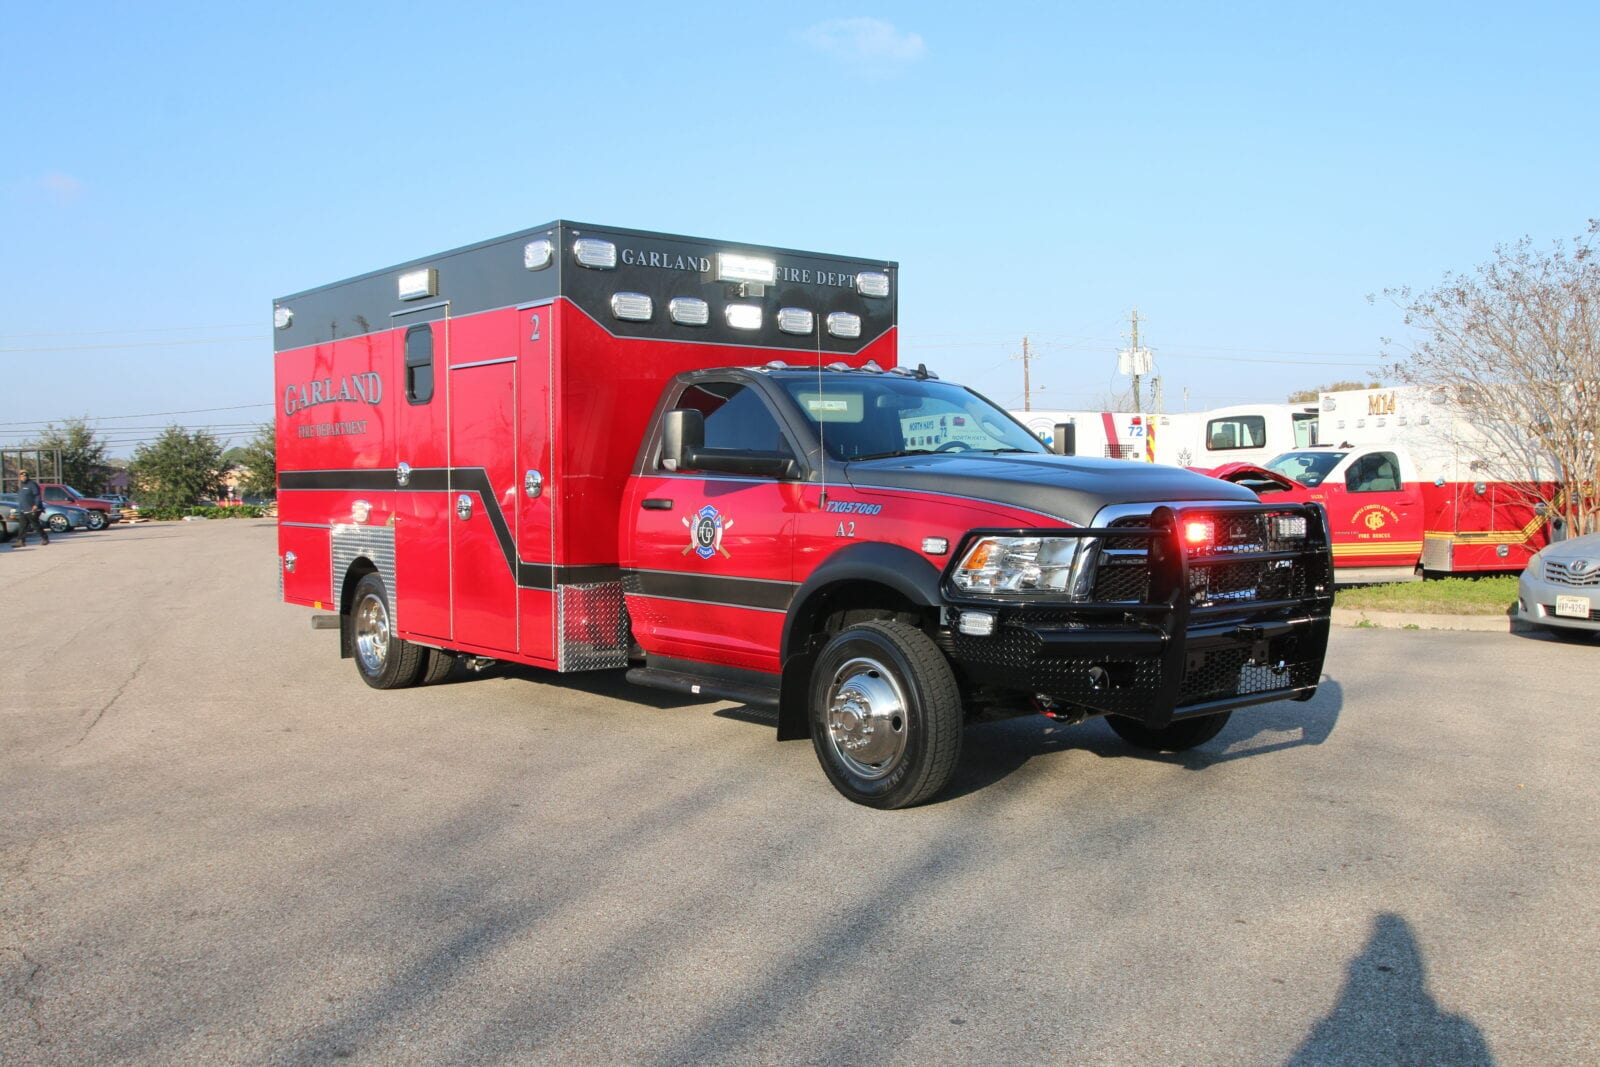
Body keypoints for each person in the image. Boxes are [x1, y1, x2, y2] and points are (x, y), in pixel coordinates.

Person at [15, 470, 48, 546]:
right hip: (24, 510)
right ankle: (20, 541)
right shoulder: (22, 486)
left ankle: (44, 538)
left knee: (35, 525)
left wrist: (36, 505)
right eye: (21, 476)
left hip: (32, 509)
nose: (23, 478)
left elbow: (37, 495)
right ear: (19, 477)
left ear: (27, 476)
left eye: (25, 476)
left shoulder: (32, 484)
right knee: (22, 526)